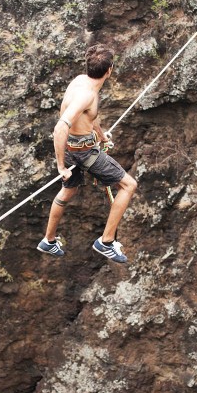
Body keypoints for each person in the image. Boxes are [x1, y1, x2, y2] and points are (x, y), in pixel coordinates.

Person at [37, 44, 137, 263]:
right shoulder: (88, 94)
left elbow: (89, 117)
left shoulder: (82, 81)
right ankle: (106, 241)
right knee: (128, 185)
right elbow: (61, 127)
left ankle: (49, 240)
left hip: (76, 148)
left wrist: (101, 136)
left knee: (68, 192)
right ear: (109, 69)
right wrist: (61, 167)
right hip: (83, 153)